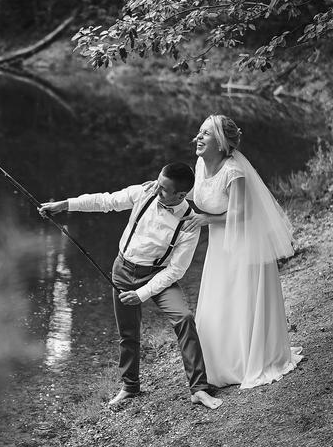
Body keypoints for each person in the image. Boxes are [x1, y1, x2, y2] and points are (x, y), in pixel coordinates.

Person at [39, 163, 222, 409]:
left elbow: (176, 270)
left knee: (184, 318)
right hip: (123, 271)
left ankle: (198, 389)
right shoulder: (144, 192)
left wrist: (142, 294)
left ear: (181, 195)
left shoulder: (189, 223)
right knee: (128, 332)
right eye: (158, 182)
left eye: (163, 189)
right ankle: (130, 386)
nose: (155, 189)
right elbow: (105, 201)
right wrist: (64, 205)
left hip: (158, 276)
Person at [181, 114, 303, 389]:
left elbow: (242, 214)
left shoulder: (234, 171)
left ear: (221, 143)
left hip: (244, 242)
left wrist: (205, 220)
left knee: (239, 298)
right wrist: (168, 191)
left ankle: (246, 360)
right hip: (219, 245)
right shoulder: (201, 164)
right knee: (220, 299)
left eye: (206, 133)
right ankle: (219, 363)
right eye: (199, 132)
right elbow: (200, 193)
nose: (198, 137)